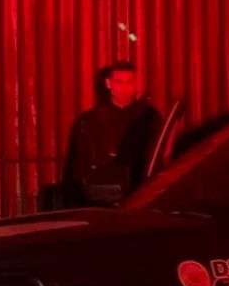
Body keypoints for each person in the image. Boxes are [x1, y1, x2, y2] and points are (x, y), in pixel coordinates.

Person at [62, 62, 162, 206]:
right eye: (119, 82)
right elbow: (75, 167)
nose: (124, 87)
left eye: (129, 82)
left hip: (140, 194)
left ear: (136, 84)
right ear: (108, 84)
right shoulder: (88, 121)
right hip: (97, 199)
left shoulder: (150, 118)